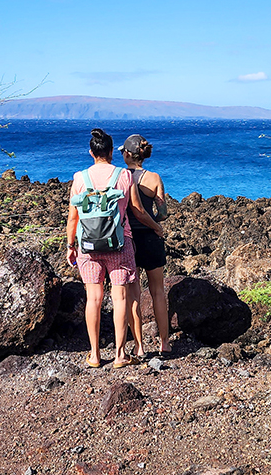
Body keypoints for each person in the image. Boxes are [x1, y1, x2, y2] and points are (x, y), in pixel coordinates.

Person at [66, 129, 163, 369]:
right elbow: (138, 210)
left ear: (91, 153)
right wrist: (157, 228)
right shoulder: (123, 176)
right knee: (120, 297)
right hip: (120, 243)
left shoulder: (79, 178)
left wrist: (71, 246)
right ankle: (120, 355)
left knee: (94, 298)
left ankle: (95, 354)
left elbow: (72, 218)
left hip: (87, 245)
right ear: (111, 152)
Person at [119, 134, 171, 358]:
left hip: (126, 239)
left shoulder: (119, 177)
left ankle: (139, 346)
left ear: (127, 154)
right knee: (158, 292)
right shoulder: (154, 178)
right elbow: (163, 213)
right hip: (150, 238)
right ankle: (165, 343)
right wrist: (155, 224)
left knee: (133, 295)